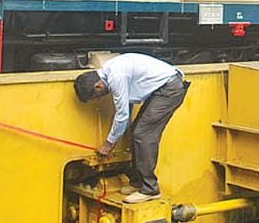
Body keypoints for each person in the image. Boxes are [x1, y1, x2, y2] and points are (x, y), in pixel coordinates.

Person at [74, 53, 189, 203]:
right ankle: (137, 183)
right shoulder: (110, 70)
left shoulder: (115, 77)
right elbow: (126, 109)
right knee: (137, 131)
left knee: (143, 135)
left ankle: (150, 189)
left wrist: (108, 144)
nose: (100, 99)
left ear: (98, 85)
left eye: (97, 96)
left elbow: (122, 115)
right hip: (163, 88)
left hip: (169, 90)